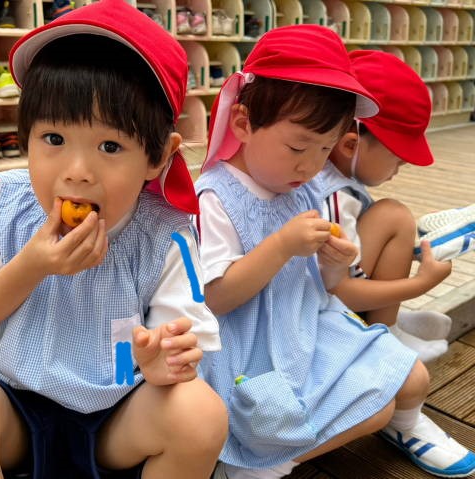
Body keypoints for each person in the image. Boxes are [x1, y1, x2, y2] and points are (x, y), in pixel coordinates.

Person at [0, 2, 228, 478]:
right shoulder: (2, 203)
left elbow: (182, 343)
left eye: (110, 146)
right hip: (11, 406)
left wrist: (160, 361)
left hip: (114, 420)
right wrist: (30, 266)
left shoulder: (165, 233)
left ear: (158, 157)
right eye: (53, 139)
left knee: (200, 415)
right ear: (25, 135)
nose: (77, 172)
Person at [195, 25, 475, 479]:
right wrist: (281, 245)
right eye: (297, 146)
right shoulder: (217, 197)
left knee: (411, 380)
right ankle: (260, 468)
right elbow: (214, 298)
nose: (310, 165)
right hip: (249, 343)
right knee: (348, 410)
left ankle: (398, 427)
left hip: (306, 322)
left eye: (324, 149)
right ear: (243, 124)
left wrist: (333, 265)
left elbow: (324, 287)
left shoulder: (301, 189)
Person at [319, 50, 453, 363]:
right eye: (397, 158)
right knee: (394, 216)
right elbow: (337, 291)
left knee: (394, 218)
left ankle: (387, 320)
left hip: (327, 295)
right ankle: (384, 332)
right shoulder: (333, 196)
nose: (399, 168)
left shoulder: (330, 174)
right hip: (321, 315)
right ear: (350, 143)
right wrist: (419, 285)